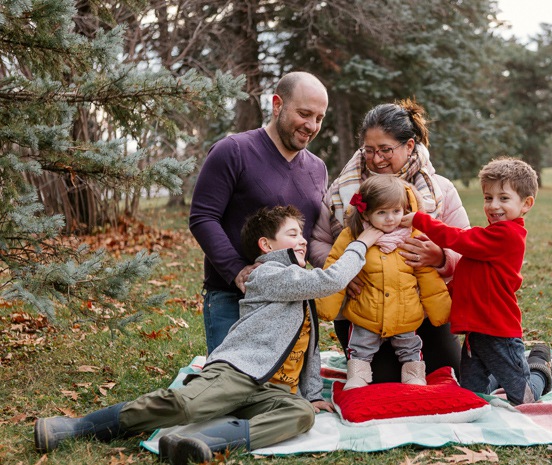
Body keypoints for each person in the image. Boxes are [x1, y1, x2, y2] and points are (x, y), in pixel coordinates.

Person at [35, 206, 383, 464]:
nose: (303, 239)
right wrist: (363, 241)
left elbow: (309, 348)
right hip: (240, 372)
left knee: (301, 415)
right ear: (266, 245)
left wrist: (309, 394)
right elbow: (331, 280)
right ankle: (78, 427)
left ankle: (203, 443)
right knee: (186, 404)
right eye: (293, 233)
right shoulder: (269, 273)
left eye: (302, 233)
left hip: (271, 390)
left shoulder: (297, 286)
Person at [309, 99, 470, 382]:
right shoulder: (344, 189)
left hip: (419, 307)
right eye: (369, 150)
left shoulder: (440, 189)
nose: (377, 159)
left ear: (409, 146)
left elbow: (466, 247)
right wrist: (345, 272)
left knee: (450, 373)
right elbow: (319, 241)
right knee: (382, 381)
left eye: (386, 150)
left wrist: (440, 258)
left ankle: (537, 359)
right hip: (363, 311)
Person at [190, 71, 329, 355]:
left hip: (291, 303)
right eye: (304, 113)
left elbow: (312, 236)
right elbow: (203, 216)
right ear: (277, 105)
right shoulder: (233, 151)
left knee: (284, 393)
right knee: (232, 392)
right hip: (234, 299)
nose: (311, 125)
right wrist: (237, 270)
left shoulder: (317, 169)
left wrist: (338, 269)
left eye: (319, 118)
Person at [400, 157, 552, 405]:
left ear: (526, 204)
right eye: (487, 197)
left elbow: (458, 238)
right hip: (475, 334)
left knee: (524, 398)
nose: (493, 205)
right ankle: (503, 375)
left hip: (499, 333)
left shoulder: (507, 236)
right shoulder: (489, 240)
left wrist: (421, 220)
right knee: (471, 393)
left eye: (504, 198)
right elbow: (465, 278)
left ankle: (537, 366)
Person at [316, 176, 451, 389]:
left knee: (410, 346)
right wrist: (327, 304)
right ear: (366, 213)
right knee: (360, 345)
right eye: (382, 213)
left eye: (396, 211)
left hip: (405, 313)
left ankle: (413, 375)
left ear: (405, 209)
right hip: (366, 312)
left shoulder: (413, 237)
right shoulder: (353, 236)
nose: (390, 219)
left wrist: (441, 310)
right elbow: (335, 265)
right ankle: (358, 375)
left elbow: (427, 276)